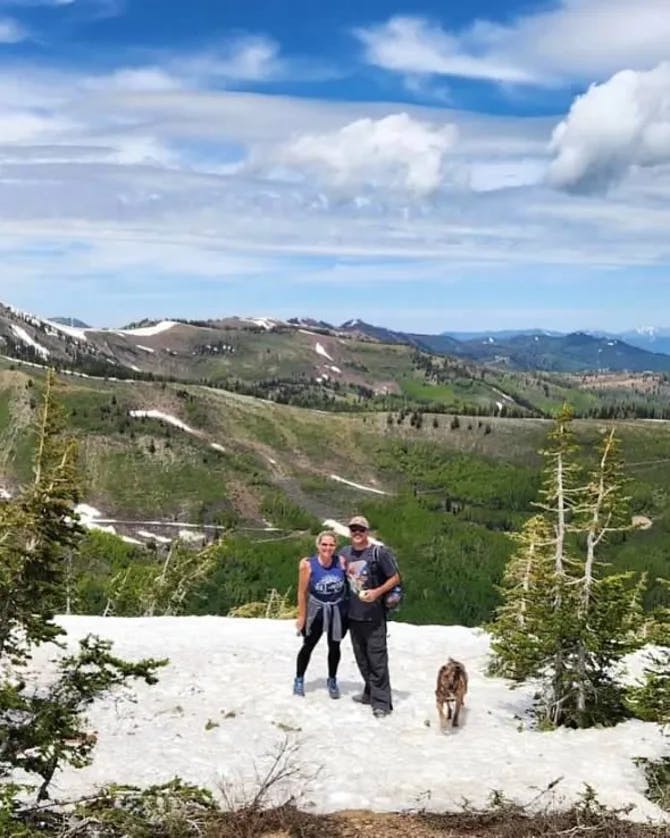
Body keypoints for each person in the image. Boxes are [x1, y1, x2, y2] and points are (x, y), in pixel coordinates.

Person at [340, 515, 400, 718]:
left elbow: (395, 577)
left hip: (374, 616)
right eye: (353, 529)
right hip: (353, 615)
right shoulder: (345, 553)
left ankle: (382, 703)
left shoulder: (378, 553)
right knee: (362, 659)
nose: (357, 533)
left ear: (367, 532)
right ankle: (369, 692)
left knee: (377, 659)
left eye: (361, 530)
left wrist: (377, 592)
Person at [293, 530, 348, 699]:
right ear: (318, 545)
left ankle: (332, 679)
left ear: (335, 546)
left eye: (331, 544)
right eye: (324, 544)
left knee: (335, 646)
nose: (328, 548)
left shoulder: (341, 562)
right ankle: (299, 678)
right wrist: (302, 616)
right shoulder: (308, 565)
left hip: (336, 609)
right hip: (316, 609)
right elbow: (302, 592)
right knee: (308, 645)